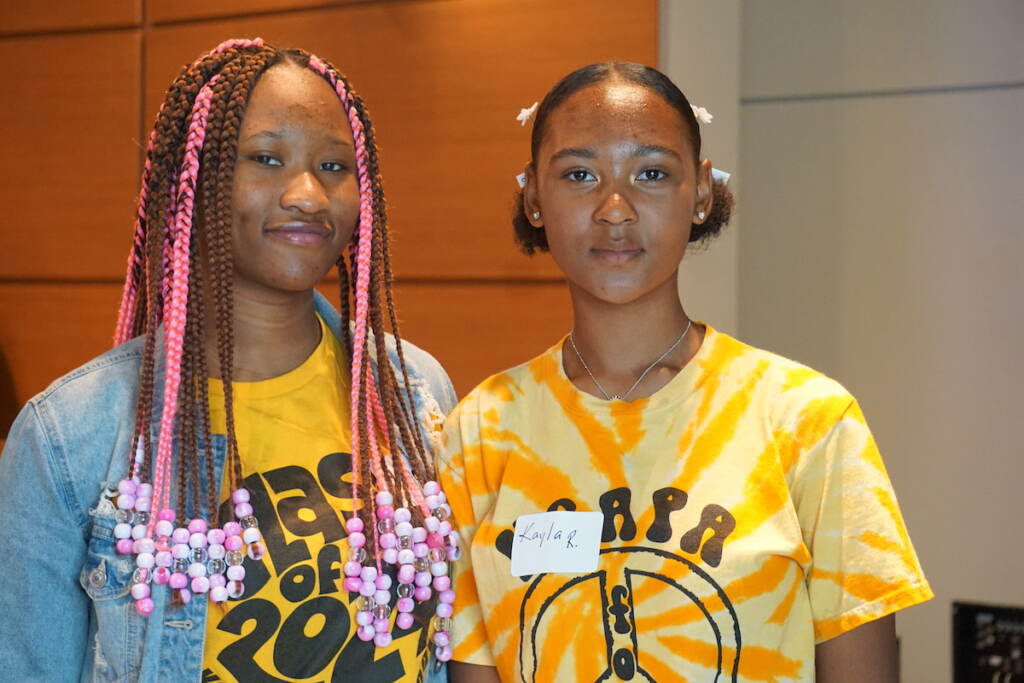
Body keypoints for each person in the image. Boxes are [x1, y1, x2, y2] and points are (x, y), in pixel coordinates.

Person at [438, 62, 932, 683]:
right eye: (579, 175)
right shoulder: (481, 431)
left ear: (699, 193)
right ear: (534, 196)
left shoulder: (808, 421)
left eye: (650, 173)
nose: (614, 210)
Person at [0, 38, 460, 682]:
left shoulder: (411, 390)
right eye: (266, 159)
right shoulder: (68, 436)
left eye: (334, 166)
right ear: (196, 180)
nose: (307, 194)